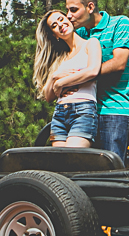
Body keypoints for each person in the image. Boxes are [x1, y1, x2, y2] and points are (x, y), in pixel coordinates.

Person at [64, 0, 129, 162]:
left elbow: (118, 63)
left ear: (90, 7)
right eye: (67, 10)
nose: (68, 15)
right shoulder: (79, 34)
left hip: (114, 108)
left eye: (73, 10)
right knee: (79, 167)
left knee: (111, 167)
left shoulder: (120, 23)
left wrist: (85, 74)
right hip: (83, 109)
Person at [33, 10, 101, 148]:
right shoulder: (61, 57)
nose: (60, 24)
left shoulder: (91, 44)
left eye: (61, 19)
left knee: (72, 159)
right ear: (54, 34)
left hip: (83, 110)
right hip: (59, 114)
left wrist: (61, 83)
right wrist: (54, 77)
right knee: (60, 164)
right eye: (54, 25)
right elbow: (48, 96)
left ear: (68, 19)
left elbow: (93, 71)